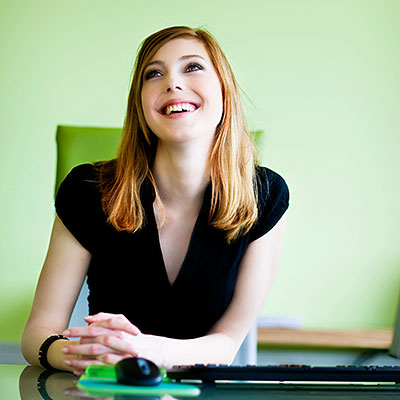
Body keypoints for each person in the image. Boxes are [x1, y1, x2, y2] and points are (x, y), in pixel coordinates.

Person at [21, 26, 289, 375]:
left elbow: (227, 342)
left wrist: (147, 351)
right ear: (140, 104)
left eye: (192, 67)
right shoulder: (87, 190)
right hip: (108, 387)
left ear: (225, 90)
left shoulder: (265, 196)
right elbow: (38, 334)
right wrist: (79, 354)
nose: (172, 83)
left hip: (199, 390)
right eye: (154, 73)